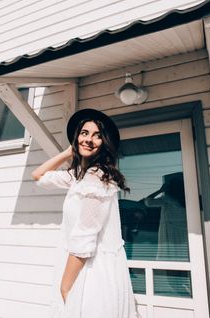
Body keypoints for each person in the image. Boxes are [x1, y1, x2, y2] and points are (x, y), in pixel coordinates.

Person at [32, 108, 140, 318]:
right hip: (80, 266)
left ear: (104, 143)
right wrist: (67, 152)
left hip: (92, 272)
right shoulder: (78, 177)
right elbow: (38, 176)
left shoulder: (97, 177)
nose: (89, 139)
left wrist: (65, 286)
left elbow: (85, 237)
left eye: (97, 136)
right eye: (84, 133)